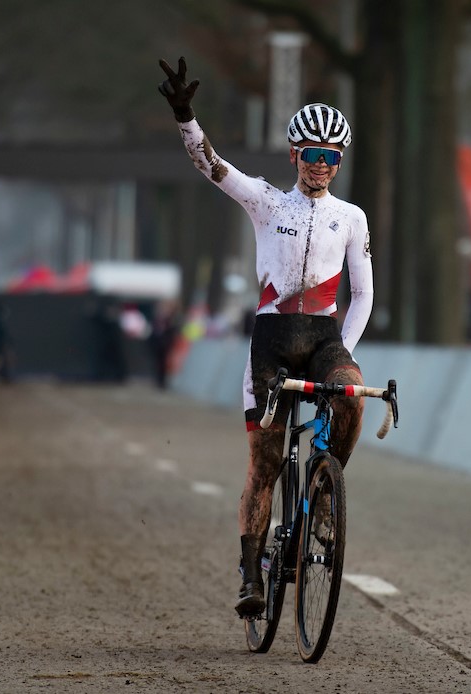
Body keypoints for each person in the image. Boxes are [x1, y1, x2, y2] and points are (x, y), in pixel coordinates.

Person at [159, 58, 373, 617]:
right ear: (294, 157)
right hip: (272, 343)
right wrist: (186, 116)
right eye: (312, 155)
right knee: (265, 463)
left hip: (325, 337)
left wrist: (344, 352)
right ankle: (251, 573)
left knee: (353, 398)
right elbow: (211, 165)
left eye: (330, 157)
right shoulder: (266, 201)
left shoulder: (351, 217)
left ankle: (325, 493)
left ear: (338, 162)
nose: (321, 166)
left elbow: (364, 295)